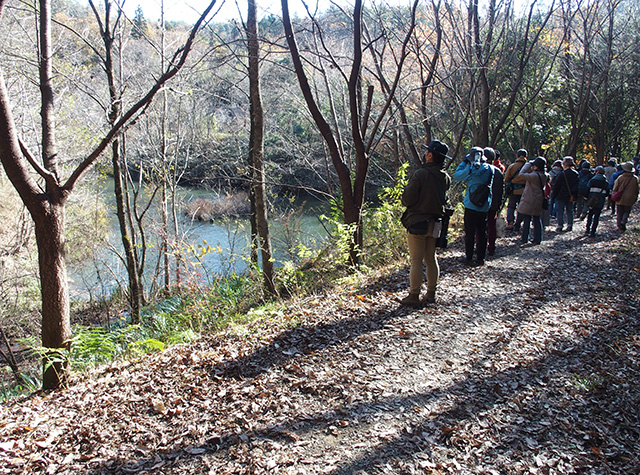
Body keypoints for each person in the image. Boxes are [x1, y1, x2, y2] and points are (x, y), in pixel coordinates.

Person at [400, 140, 451, 306]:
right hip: (436, 223)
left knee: (416, 260)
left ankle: (414, 295)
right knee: (431, 258)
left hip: (418, 222)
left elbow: (408, 199)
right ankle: (431, 294)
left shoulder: (420, 174)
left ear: (430, 155)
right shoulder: (445, 177)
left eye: (427, 151)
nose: (425, 153)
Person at [454, 146, 494, 266]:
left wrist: (465, 163)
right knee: (482, 233)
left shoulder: (470, 169)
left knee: (470, 233)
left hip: (471, 205)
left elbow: (457, 176)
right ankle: (480, 258)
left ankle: (469, 257)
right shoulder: (491, 169)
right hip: (484, 205)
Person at [512, 157, 548, 245]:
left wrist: (528, 164)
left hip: (529, 199)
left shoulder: (533, 176)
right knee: (536, 219)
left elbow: (521, 174)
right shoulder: (545, 175)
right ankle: (537, 238)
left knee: (527, 219)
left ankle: (524, 238)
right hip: (539, 199)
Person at [551, 156, 579, 232]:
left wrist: (554, 195)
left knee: (560, 211)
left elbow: (557, 186)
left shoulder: (562, 174)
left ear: (565, 164)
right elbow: (577, 186)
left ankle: (560, 225)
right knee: (570, 210)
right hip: (571, 195)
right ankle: (570, 225)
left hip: (561, 195)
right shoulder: (576, 174)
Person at [485, 148, 504, 256]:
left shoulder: (480, 170)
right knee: (491, 225)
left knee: (480, 226)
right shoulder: (498, 171)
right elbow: (501, 189)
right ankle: (491, 247)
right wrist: (498, 204)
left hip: (480, 203)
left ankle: (479, 247)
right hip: (493, 203)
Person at [612, 162, 640, 232]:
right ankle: (623, 222)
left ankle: (619, 225)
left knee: (619, 211)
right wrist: (635, 197)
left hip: (620, 198)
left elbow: (615, 188)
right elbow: (637, 189)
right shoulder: (635, 179)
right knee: (627, 211)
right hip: (630, 198)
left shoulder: (620, 178)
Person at [504, 149, 527, 230]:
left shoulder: (512, 166)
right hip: (525, 190)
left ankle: (510, 222)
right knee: (522, 207)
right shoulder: (529, 167)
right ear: (526, 156)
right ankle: (518, 223)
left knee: (511, 206)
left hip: (513, 189)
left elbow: (506, 178)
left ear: (517, 156)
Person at [584, 166, 609, 237]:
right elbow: (607, 192)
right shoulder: (605, 182)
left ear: (597, 172)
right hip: (600, 201)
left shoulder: (592, 180)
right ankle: (593, 231)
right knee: (597, 216)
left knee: (590, 215)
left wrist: (587, 197)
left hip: (592, 200)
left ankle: (587, 229)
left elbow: (587, 189)